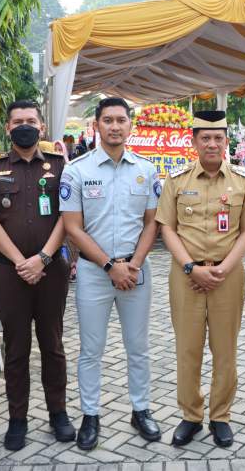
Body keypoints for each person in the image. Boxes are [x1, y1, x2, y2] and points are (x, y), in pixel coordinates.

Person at [155, 110, 245, 448]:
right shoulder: (177, 180)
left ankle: (220, 417)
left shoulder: (244, 181)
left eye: (218, 138)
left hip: (227, 276)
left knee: (225, 350)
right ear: (195, 142)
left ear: (226, 141)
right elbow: (166, 229)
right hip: (186, 275)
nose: (212, 144)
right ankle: (190, 416)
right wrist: (190, 267)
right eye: (206, 138)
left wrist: (224, 268)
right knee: (187, 350)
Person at [60, 97, 161, 450]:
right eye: (108, 120)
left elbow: (152, 224)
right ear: (96, 126)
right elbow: (73, 227)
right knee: (91, 349)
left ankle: (141, 409)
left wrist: (131, 264)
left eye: (121, 120)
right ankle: (90, 415)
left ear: (130, 125)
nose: (115, 126)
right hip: (94, 273)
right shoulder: (77, 171)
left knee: (138, 346)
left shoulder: (146, 171)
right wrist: (109, 266)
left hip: (135, 272)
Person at [0, 100, 75, 450]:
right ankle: (17, 419)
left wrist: (43, 259)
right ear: (7, 128)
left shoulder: (61, 167)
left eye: (30, 121)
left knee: (53, 345)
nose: (24, 126)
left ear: (42, 127)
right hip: (8, 273)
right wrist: (22, 261)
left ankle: (58, 414)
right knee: (16, 349)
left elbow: (69, 215)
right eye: (17, 121)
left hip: (52, 272)